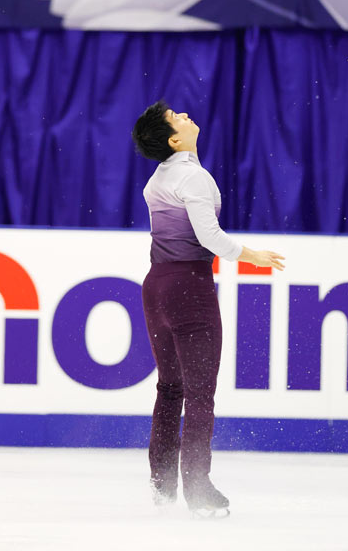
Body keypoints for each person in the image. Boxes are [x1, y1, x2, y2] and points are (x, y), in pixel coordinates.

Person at [131, 101, 285, 517]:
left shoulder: (157, 180)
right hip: (188, 289)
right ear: (174, 140)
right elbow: (210, 237)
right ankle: (197, 489)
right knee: (199, 394)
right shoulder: (193, 178)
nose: (183, 114)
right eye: (175, 119)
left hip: (156, 285)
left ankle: (162, 485)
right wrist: (254, 255)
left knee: (170, 388)